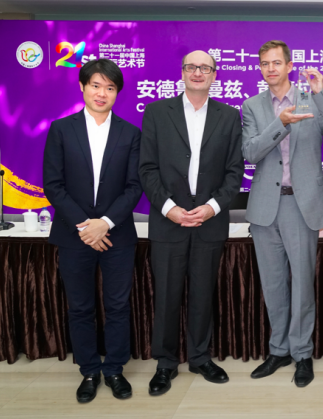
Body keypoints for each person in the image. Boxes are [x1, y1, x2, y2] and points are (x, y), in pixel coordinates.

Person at [242, 40, 323, 388]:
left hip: (302, 206)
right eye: (264, 63)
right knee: (273, 285)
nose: (270, 69)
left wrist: (321, 94)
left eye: (277, 62)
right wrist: (281, 123)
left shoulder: (310, 99)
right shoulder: (252, 105)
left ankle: (302, 353)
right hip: (264, 208)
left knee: (302, 285)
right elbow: (250, 152)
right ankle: (279, 350)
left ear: (290, 66)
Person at [139, 50, 244, 395]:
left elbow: (234, 172)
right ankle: (166, 362)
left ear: (214, 75)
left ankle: (200, 357)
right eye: (191, 67)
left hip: (209, 222)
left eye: (205, 68)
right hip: (168, 220)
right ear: (182, 72)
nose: (198, 72)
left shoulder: (229, 116)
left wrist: (212, 207)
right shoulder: (157, 112)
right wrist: (168, 207)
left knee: (202, 293)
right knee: (167, 295)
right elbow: (147, 168)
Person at [43, 58, 142, 403]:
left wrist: (105, 223)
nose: (102, 93)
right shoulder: (61, 129)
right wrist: (86, 226)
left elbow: (134, 187)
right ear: (83, 87)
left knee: (117, 306)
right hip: (74, 235)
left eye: (110, 87)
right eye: (96, 85)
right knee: (80, 307)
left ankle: (114, 369)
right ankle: (88, 370)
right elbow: (53, 185)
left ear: (117, 93)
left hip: (117, 234)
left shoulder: (131, 133)